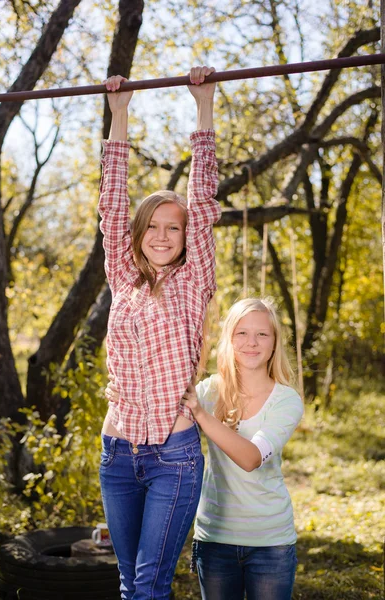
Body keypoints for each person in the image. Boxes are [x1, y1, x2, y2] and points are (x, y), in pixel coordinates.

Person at [97, 65, 221, 600]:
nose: (164, 235)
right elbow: (111, 204)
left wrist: (204, 108)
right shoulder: (123, 276)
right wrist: (119, 114)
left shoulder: (194, 279)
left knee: (148, 585)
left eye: (174, 226)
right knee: (131, 585)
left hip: (174, 452)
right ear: (138, 233)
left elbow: (202, 200)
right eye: (153, 225)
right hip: (117, 450)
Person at [182, 297, 304, 600]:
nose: (252, 342)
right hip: (214, 538)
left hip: (270, 542)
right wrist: (122, 386)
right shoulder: (208, 391)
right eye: (242, 333)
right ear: (229, 339)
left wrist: (201, 415)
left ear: (275, 342)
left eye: (262, 334)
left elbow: (250, 458)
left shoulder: (286, 400)